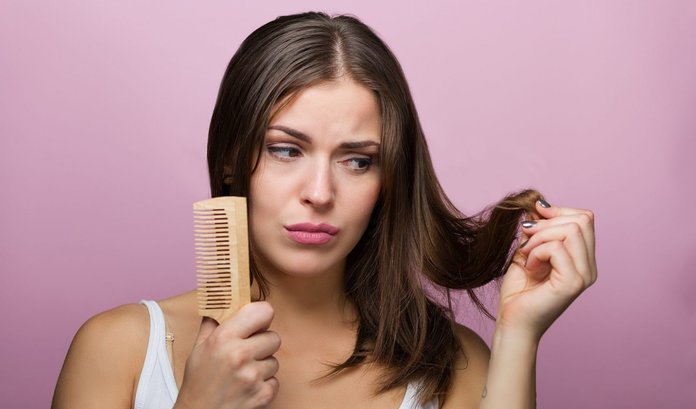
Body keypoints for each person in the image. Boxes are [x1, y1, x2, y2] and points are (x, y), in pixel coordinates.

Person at [52, 11, 596, 409]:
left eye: (357, 161)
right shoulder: (119, 348)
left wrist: (519, 334)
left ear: (388, 181)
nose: (319, 191)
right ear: (232, 163)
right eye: (286, 150)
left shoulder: (449, 364)